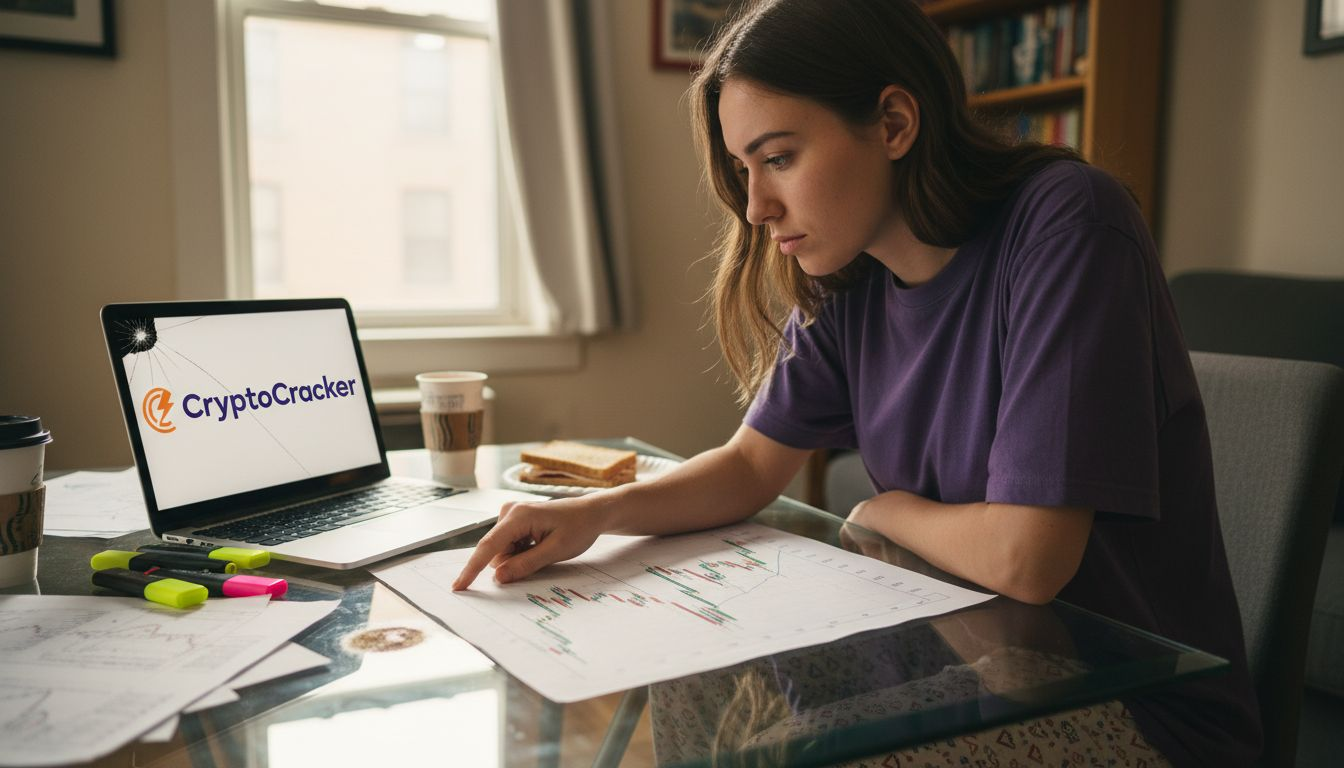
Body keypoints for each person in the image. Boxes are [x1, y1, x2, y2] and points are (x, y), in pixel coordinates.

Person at [453, 0, 1261, 764]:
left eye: (779, 158)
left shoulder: (1068, 223)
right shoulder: (851, 280)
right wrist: (593, 514)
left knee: (798, 749)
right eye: (744, 168)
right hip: (953, 646)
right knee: (697, 687)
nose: (757, 206)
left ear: (895, 123)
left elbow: (1029, 558)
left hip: (1136, 717)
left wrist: (884, 510)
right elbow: (747, 467)